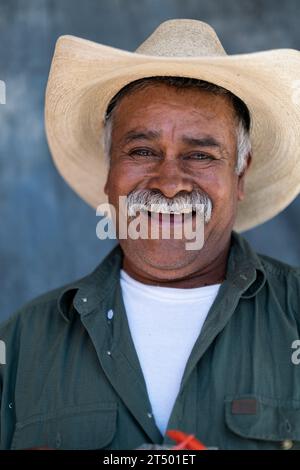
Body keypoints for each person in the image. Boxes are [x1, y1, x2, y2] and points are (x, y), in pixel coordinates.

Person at [1, 19, 300, 450]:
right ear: (109, 171)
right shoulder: (21, 345)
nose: (170, 182)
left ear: (240, 175)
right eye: (142, 151)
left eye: (200, 155)